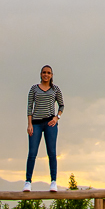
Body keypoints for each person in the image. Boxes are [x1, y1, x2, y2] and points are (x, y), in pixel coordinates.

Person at [25, 64, 64, 192]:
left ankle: (53, 181)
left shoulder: (55, 89)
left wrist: (56, 117)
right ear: (41, 74)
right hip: (35, 123)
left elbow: (62, 105)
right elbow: (29, 107)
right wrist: (29, 124)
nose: (46, 75)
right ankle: (28, 182)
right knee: (32, 153)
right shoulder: (34, 89)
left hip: (50, 124)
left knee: (52, 153)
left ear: (51, 75)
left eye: (48, 73)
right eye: (44, 72)